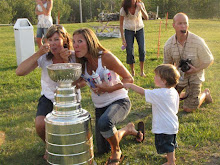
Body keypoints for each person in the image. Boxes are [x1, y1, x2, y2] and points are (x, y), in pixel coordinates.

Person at [72, 28, 144, 165]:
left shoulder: (105, 57)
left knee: (105, 124)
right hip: (100, 106)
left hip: (119, 101)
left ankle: (117, 150)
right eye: (73, 42)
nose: (75, 45)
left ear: (90, 42)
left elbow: (129, 78)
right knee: (102, 148)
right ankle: (128, 130)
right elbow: (81, 82)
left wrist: (109, 88)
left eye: (79, 41)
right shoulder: (82, 62)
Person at [16, 25, 75, 159]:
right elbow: (20, 72)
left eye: (56, 39)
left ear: (64, 40)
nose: (52, 44)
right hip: (48, 97)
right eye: (49, 40)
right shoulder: (44, 58)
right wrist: (38, 53)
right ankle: (50, 147)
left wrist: (66, 61)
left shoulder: (72, 56)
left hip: (68, 98)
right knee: (40, 124)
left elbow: (77, 81)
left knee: (68, 130)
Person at [123, 64, 180, 165]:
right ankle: (171, 158)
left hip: (164, 126)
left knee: (167, 145)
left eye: (156, 76)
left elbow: (143, 92)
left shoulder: (160, 94)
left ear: (164, 81)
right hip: (172, 124)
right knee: (170, 144)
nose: (154, 77)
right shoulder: (173, 91)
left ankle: (171, 162)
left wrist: (130, 85)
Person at [163, 12, 214, 113]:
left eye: (185, 23)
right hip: (178, 77)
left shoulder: (198, 41)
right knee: (169, 104)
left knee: (188, 108)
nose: (183, 26)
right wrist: (168, 83)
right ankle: (185, 95)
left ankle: (205, 94)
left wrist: (196, 69)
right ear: (174, 25)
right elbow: (167, 66)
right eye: (180, 23)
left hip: (194, 77)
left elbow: (209, 60)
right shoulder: (169, 44)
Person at [120, 0, 149, 77]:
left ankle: (142, 72)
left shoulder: (140, 4)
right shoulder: (123, 9)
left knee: (142, 49)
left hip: (139, 29)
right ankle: (132, 72)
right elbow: (121, 25)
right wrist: (123, 39)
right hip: (128, 30)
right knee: (129, 50)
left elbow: (146, 18)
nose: (133, 1)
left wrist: (141, 9)